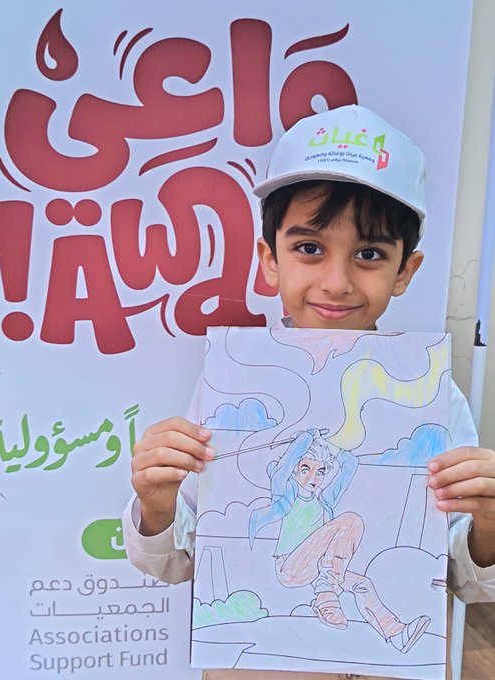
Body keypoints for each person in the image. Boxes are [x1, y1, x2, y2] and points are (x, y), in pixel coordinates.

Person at [122, 105, 495, 680]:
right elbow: (173, 563)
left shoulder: (434, 399)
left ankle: (358, 611)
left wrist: (489, 521)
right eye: (309, 248)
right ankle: (331, 596)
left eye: (369, 254)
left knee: (358, 570)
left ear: (405, 270)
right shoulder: (229, 387)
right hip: (259, 667)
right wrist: (155, 502)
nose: (336, 282)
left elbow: (470, 579)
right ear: (269, 258)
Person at [248, 429, 431, 652]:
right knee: (350, 521)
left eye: (320, 472)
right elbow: (283, 468)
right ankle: (326, 597)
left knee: (362, 584)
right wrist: (306, 438)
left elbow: (350, 464)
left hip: (318, 570)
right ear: (295, 470)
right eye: (305, 469)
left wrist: (327, 444)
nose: (313, 478)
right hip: (290, 567)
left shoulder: (325, 502)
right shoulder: (286, 493)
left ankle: (396, 633)